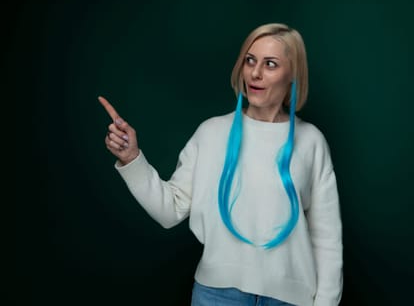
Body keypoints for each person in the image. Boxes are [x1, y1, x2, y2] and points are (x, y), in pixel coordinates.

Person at [98, 23, 343, 305]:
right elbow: (170, 210)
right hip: (217, 296)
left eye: (271, 64)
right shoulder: (211, 133)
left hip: (290, 299)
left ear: (293, 75)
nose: (255, 73)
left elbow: (327, 240)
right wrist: (131, 158)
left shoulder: (311, 141)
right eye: (250, 60)